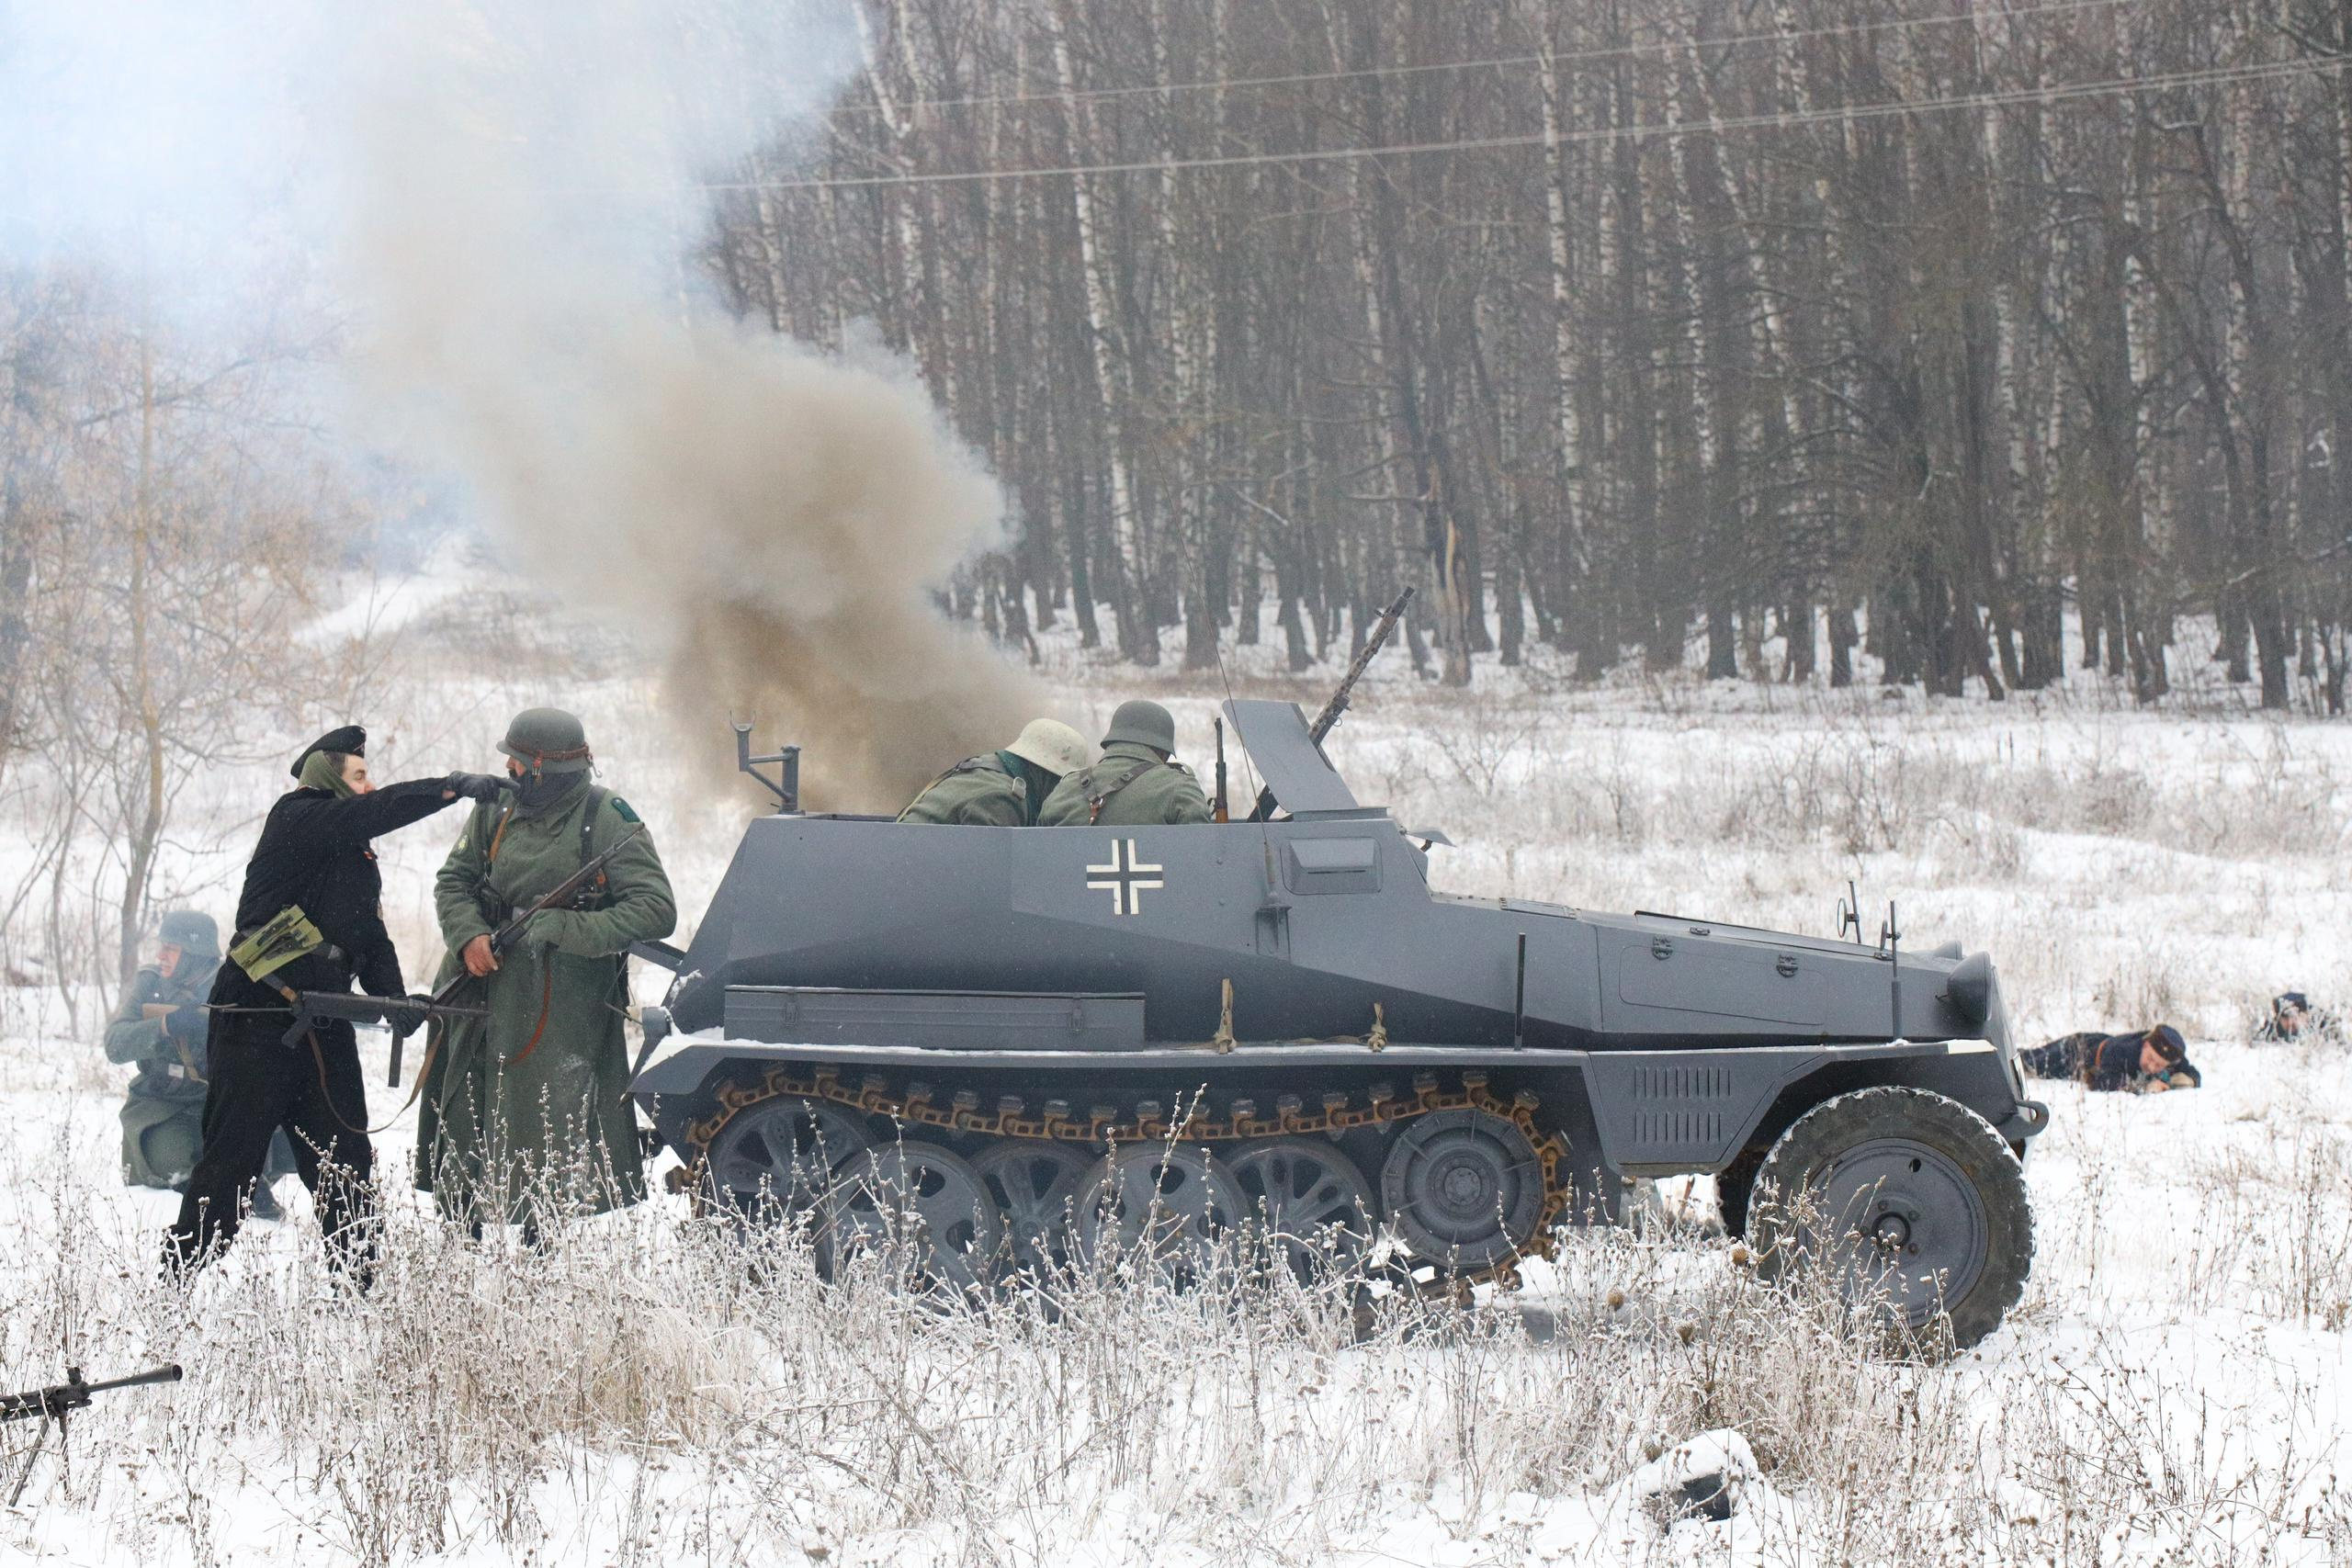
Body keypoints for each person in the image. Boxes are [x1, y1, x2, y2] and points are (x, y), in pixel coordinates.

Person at [164, 727, 503, 1281]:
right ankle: (173, 1287)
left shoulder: (354, 854)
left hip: (323, 1022)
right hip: (256, 1019)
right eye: (359, 776)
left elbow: (367, 937)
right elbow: (370, 813)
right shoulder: (298, 817)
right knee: (230, 1169)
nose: (370, 788)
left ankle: (360, 1290)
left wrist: (395, 1000)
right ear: (327, 777)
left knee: (346, 1167)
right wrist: (447, 789)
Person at [415, 707, 676, 1240]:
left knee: (545, 1118)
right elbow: (454, 880)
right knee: (464, 1102)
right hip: (478, 981)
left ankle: (542, 1245)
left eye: (516, 763)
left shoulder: (608, 817)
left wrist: (565, 927)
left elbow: (654, 909)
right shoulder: (498, 809)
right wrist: (468, 936)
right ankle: (461, 1238)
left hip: (558, 1001)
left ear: (541, 767)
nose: (507, 772)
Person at [103, 909, 296, 1216]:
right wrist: (166, 1025)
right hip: (162, 1104)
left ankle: (247, 1185)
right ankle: (232, 1187)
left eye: (172, 948)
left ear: (194, 954)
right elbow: (114, 1044)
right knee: (174, 1162)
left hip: (215, 1101)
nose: (161, 955)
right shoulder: (150, 983)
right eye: (162, 945)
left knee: (284, 1141)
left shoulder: (232, 985)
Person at [1038, 700, 1213, 827]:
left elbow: (1038, 851)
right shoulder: (1178, 787)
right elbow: (1202, 855)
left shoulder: (1066, 787)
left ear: (1112, 742)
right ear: (1163, 752)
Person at [898, 718, 1091, 827]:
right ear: (1044, 775)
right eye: (1059, 783)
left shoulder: (985, 771)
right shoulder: (1001, 800)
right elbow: (987, 880)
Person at [2018, 1024, 2201, 1093]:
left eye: (2159, 1065)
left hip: (2100, 1042)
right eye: (2151, 1058)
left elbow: (2192, 1073)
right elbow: (2101, 1081)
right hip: (2075, 1052)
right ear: (2145, 1044)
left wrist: (2187, 1080)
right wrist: (2145, 1087)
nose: (2152, 1066)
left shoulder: (2174, 1056)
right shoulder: (2121, 1051)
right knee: (2026, 1063)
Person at [2255, 991, 2336, 1043]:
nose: (2290, 1021)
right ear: (2278, 1018)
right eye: (2285, 1016)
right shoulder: (2271, 1029)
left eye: (2295, 1016)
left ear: (2306, 1014)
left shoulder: (2322, 1022)